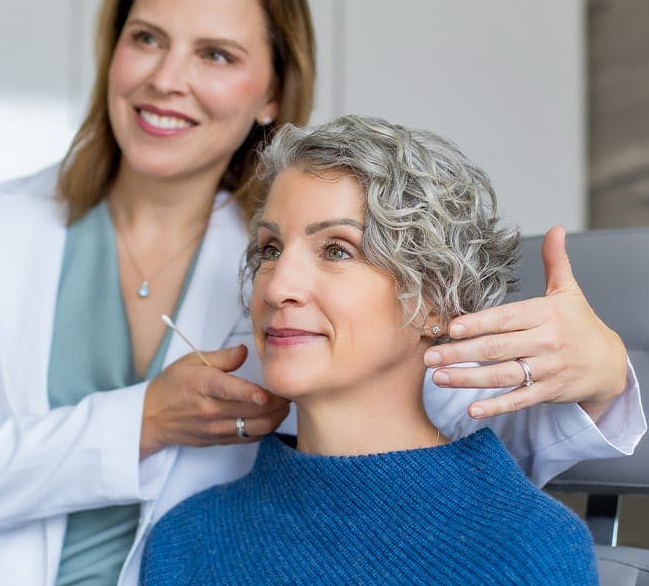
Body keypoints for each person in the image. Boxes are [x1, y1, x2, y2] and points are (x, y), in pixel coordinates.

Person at [0, 0, 641, 586]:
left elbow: (425, 424)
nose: (165, 78)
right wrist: (141, 420)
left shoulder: (289, 246)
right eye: (144, 37)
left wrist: (604, 378)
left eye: (214, 53)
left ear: (271, 93)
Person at [140, 115, 599, 585]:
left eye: (336, 250)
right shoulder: (186, 540)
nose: (278, 287)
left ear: (436, 300)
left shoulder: (527, 549)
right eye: (271, 249)